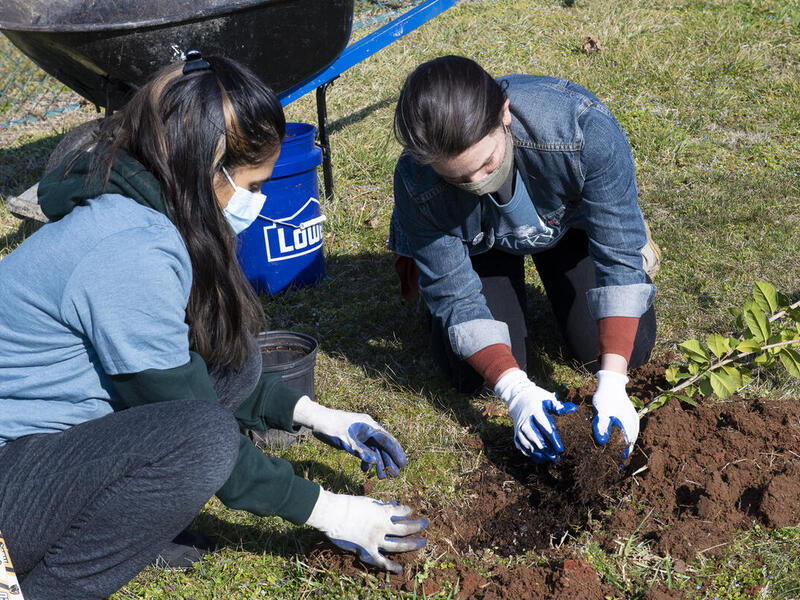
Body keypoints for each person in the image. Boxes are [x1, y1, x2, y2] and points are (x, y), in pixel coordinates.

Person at [0, 51, 426, 600]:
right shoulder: (130, 255)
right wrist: (331, 511)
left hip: (50, 438)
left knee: (236, 354)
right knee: (202, 444)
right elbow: (193, 419)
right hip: (12, 467)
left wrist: (318, 416)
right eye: (252, 184)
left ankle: (127, 522)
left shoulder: (147, 207)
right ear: (208, 169)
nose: (257, 201)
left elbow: (199, 369)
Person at [389, 55, 658, 463]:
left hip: (567, 226)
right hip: (480, 244)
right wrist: (515, 389)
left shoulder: (582, 132)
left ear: (504, 114)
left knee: (628, 349)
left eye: (487, 163)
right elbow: (457, 297)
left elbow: (618, 257)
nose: (478, 184)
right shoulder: (417, 180)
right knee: (473, 374)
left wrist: (613, 382)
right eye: (459, 179)